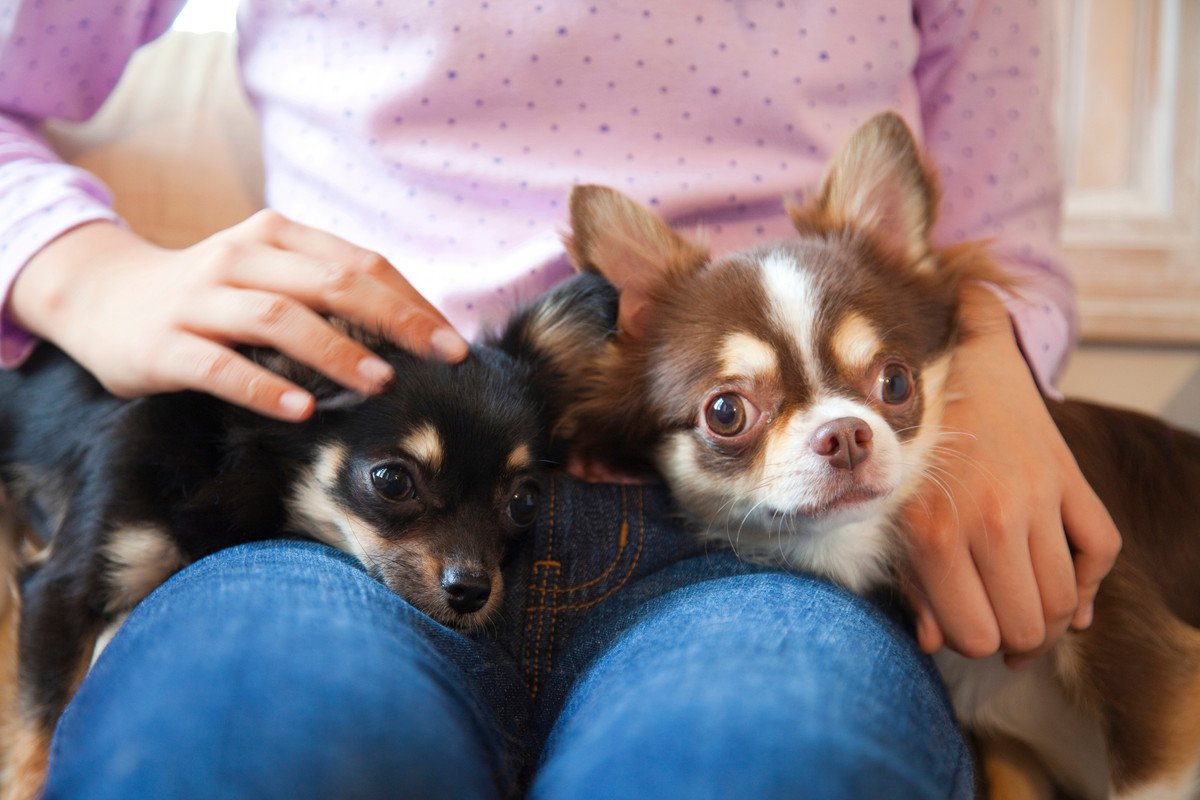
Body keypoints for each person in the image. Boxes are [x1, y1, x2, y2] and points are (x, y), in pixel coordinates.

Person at [0, 1, 1120, 797]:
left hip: (775, 545)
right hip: (339, 508)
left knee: (773, 770)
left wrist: (988, 376)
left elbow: (998, 233)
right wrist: (91, 272)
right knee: (226, 754)